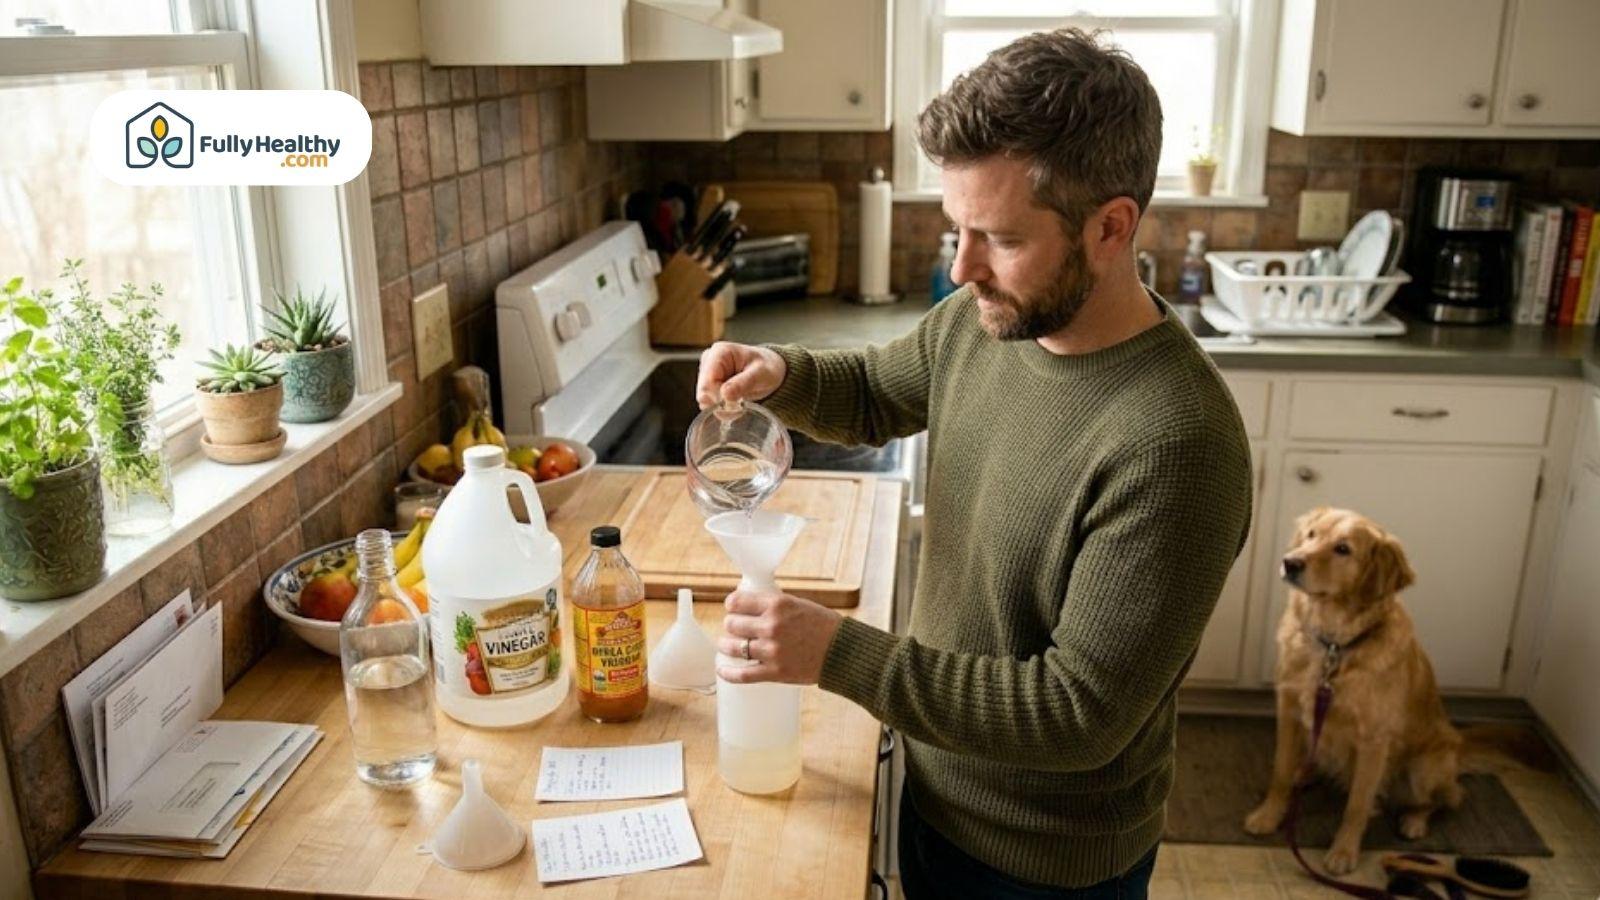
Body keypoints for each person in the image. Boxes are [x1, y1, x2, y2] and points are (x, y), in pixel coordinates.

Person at [695, 28, 1253, 900]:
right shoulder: (985, 323)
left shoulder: (1176, 443)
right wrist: (782, 374)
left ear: (1111, 228)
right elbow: (879, 389)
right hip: (936, 787)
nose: (963, 269)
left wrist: (838, 653)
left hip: (1045, 864)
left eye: (998, 238)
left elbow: (1077, 714)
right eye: (957, 229)